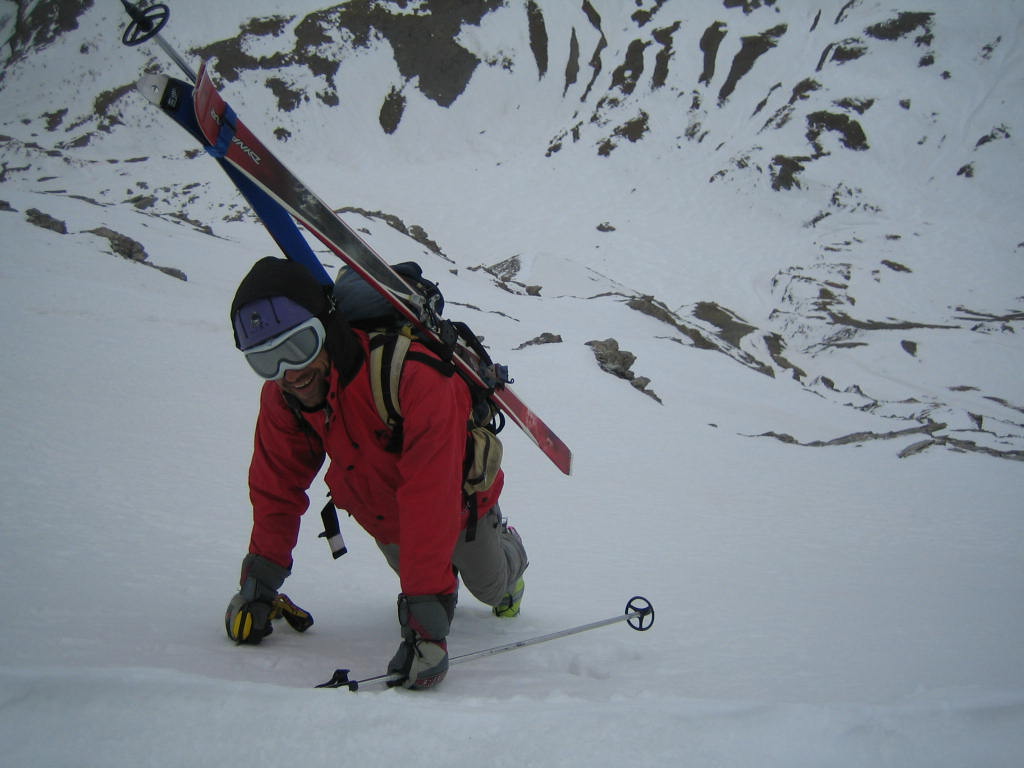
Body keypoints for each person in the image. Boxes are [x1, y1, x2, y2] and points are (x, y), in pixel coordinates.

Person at [223, 257, 528, 690]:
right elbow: (276, 488)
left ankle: (509, 554)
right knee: (429, 582)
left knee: (490, 589)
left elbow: (431, 499)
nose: (288, 372)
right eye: (264, 360)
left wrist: (426, 631)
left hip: (459, 505)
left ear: (326, 328)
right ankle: (442, 581)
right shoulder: (285, 397)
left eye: (298, 346)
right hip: (385, 516)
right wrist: (259, 585)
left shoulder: (416, 376)